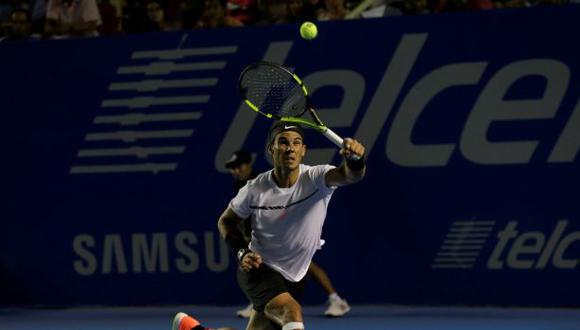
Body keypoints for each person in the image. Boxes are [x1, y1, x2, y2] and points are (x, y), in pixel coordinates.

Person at [173, 121, 366, 330]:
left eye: (296, 142)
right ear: (271, 149)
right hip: (259, 268)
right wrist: (241, 253)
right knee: (291, 312)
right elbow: (226, 221)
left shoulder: (317, 178)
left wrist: (355, 160)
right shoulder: (254, 189)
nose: (290, 148)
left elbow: (350, 175)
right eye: (283, 142)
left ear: (303, 151)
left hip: (294, 275)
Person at [224, 150, 351, 318]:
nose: (235, 171)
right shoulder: (241, 185)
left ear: (248, 165)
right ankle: (259, 303)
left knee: (308, 267)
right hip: (263, 238)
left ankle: (336, 299)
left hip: (281, 233)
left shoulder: (258, 182)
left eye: (238, 166)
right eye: (232, 168)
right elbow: (236, 219)